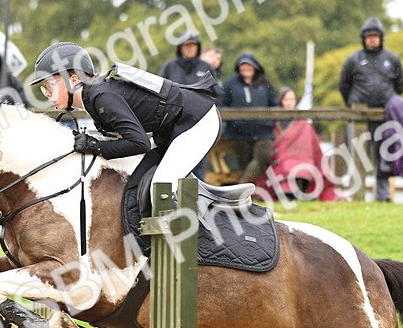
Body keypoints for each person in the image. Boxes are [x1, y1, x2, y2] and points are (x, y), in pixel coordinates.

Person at [29, 41, 220, 213]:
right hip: (174, 126)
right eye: (43, 88)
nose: (46, 93)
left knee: (160, 188)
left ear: (74, 79)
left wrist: (95, 146)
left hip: (197, 121)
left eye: (49, 85)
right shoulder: (92, 96)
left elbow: (139, 144)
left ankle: (194, 247)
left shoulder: (101, 96)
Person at [339, 17, 403, 201]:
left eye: (376, 36)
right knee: (358, 154)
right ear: (363, 39)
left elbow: (399, 86)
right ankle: (356, 195)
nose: (372, 39)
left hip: (385, 115)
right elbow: (344, 85)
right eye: (369, 37)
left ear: (381, 38)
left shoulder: (392, 59)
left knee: (384, 155)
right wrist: (353, 105)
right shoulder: (353, 60)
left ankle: (383, 196)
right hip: (359, 114)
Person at [255, 87, 341, 203]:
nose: (289, 102)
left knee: (299, 167)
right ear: (281, 101)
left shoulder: (303, 122)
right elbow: (273, 142)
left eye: (292, 99)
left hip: (301, 160)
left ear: (296, 101)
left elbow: (310, 145)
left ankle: (298, 192)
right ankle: (286, 193)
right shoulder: (274, 121)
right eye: (286, 99)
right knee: (286, 166)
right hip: (280, 159)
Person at [157, 32, 218, 180]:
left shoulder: (206, 68)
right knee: (172, 160)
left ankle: (196, 197)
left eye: (193, 45)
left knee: (197, 161)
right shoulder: (169, 67)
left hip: (199, 121)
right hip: (173, 122)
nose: (190, 49)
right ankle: (172, 195)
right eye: (187, 45)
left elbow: (216, 94)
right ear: (180, 47)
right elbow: (159, 91)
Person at [219, 52, 276, 184]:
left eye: (249, 66)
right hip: (238, 133)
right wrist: (231, 122)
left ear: (255, 67)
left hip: (263, 132)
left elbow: (274, 105)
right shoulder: (230, 85)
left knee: (264, 156)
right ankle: (246, 197)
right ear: (238, 68)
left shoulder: (265, 84)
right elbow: (222, 105)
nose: (246, 69)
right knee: (242, 165)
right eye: (242, 66)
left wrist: (270, 122)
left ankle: (241, 189)